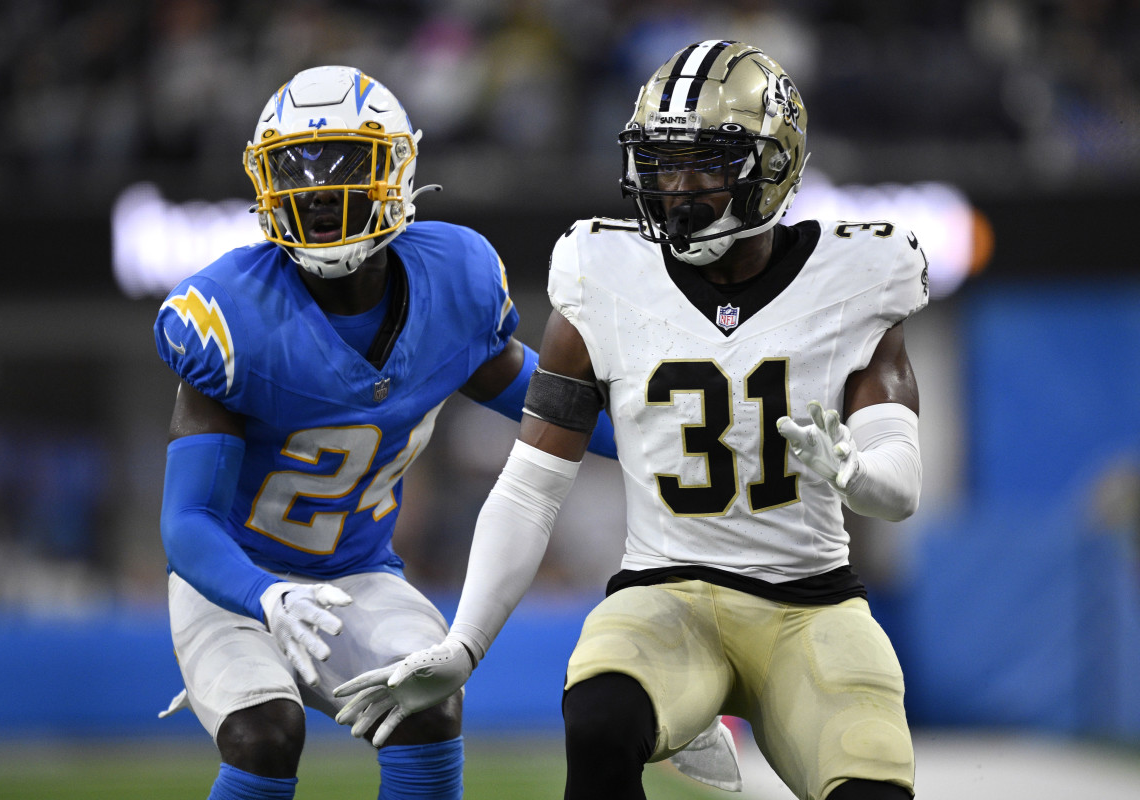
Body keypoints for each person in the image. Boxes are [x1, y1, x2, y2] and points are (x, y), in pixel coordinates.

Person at [335, 40, 929, 800]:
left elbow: (902, 488)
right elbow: (531, 486)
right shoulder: (603, 278)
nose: (673, 186)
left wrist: (855, 473)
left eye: (703, 162)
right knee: (599, 721)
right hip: (666, 594)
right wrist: (465, 643)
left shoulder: (860, 276)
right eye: (660, 162)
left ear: (773, 163)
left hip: (810, 605)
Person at [153, 64, 619, 800]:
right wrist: (264, 595)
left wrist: (670, 433)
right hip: (234, 585)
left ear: (397, 168)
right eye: (296, 170)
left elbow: (556, 410)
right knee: (265, 735)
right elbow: (186, 521)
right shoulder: (231, 314)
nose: (320, 191)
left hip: (357, 575)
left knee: (427, 702)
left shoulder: (453, 281)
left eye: (344, 164)